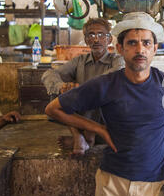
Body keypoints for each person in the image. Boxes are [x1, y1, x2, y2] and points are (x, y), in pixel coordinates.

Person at [45, 12, 164, 196]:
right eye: (132, 43)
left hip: (152, 185)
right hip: (111, 183)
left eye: (146, 43)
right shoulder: (105, 84)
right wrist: (98, 128)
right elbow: (53, 109)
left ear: (155, 48)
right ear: (120, 48)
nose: (140, 50)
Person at [41, 18, 125, 155]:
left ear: (109, 40)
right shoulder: (79, 61)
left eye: (101, 35)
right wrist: (62, 86)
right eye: (91, 35)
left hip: (105, 115)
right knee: (57, 93)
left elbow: (113, 76)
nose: (96, 40)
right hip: (85, 112)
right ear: (86, 41)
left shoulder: (117, 60)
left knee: (99, 95)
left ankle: (87, 136)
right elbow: (49, 73)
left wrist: (82, 91)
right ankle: (79, 136)